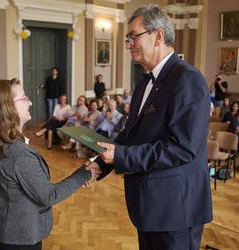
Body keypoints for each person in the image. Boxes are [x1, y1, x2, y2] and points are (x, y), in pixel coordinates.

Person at [88, 5, 212, 250]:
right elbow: (130, 135)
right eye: (127, 38)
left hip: (176, 211)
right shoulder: (144, 82)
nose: (128, 44)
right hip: (148, 207)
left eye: (133, 36)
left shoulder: (188, 79)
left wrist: (121, 156)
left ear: (157, 36)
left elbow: (182, 148)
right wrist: (100, 164)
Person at [0, 79, 100, 250]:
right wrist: (84, 174)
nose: (30, 102)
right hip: (18, 238)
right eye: (24, 97)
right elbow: (49, 195)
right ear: (7, 107)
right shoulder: (19, 154)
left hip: (2, 229)